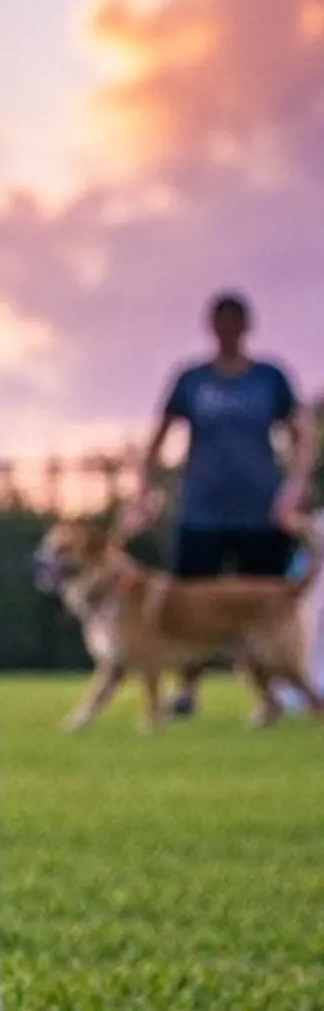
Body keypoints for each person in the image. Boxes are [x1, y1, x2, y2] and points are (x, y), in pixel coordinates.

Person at [125, 292, 316, 713]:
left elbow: (302, 431)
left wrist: (295, 484)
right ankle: (187, 691)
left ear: (247, 327)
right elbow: (157, 438)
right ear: (211, 327)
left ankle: (268, 698)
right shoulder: (191, 379)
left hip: (260, 511)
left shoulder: (269, 378)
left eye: (235, 322)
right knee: (187, 609)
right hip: (201, 511)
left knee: (264, 608)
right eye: (220, 322)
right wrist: (144, 490)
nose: (227, 330)